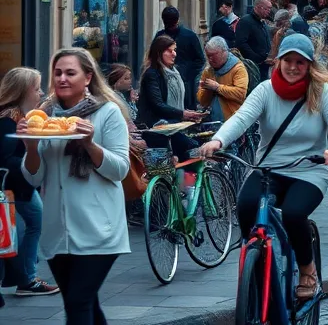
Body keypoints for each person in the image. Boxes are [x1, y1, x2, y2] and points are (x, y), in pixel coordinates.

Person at [198, 35, 328, 302]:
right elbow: (242, 118)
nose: (293, 67)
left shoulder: (320, 91)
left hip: (309, 170)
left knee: (293, 214)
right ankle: (255, 259)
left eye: (300, 62)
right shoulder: (265, 90)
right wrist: (218, 140)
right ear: (279, 62)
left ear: (309, 65)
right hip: (269, 168)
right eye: (288, 61)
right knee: (245, 205)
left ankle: (307, 268)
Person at [19, 49, 130, 325]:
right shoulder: (44, 117)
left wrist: (90, 144)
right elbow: (34, 178)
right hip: (57, 233)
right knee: (83, 302)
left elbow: (120, 170)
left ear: (88, 77)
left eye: (70, 73)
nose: (62, 79)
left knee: (78, 304)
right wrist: (31, 147)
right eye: (58, 73)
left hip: (99, 232)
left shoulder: (107, 113)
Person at [0, 68, 59, 296]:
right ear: (23, 91)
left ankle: (25, 276)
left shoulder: (21, 116)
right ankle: (27, 279)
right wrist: (33, 159)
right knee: (34, 223)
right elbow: (5, 160)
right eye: (36, 88)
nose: (41, 93)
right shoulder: (8, 120)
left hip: (22, 187)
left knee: (32, 224)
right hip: (16, 189)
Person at [137, 35, 205, 130]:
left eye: (174, 50)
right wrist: (182, 114)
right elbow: (158, 105)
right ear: (159, 53)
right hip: (157, 126)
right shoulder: (152, 74)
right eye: (169, 51)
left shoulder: (175, 72)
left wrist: (186, 112)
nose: (174, 54)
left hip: (174, 123)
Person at [156, 6, 204, 108]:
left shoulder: (160, 37)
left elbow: (200, 60)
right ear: (178, 19)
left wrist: (187, 75)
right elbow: (200, 60)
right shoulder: (190, 35)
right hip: (169, 81)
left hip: (183, 82)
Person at [196, 36, 250, 122]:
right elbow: (202, 101)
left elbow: (241, 94)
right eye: (208, 56)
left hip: (234, 120)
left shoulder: (238, 68)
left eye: (213, 55)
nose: (210, 59)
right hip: (213, 121)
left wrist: (217, 88)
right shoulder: (208, 71)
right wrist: (208, 90)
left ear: (224, 52)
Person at [235, 0, 274, 79]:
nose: (269, 11)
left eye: (270, 8)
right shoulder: (246, 21)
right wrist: (256, 58)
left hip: (264, 64)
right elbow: (241, 43)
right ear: (259, 7)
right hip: (252, 66)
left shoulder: (262, 22)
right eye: (267, 8)